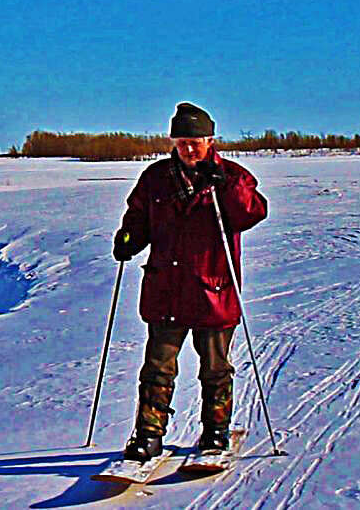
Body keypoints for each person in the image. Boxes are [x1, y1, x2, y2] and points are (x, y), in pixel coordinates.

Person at [112, 102, 268, 461]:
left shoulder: (232, 176)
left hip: (212, 289)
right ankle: (148, 435)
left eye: (196, 141)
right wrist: (128, 240)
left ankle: (215, 432)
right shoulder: (156, 178)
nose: (189, 149)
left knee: (215, 368)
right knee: (157, 367)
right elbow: (139, 217)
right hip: (166, 289)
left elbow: (252, 213)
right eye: (182, 141)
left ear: (210, 140)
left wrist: (226, 187)